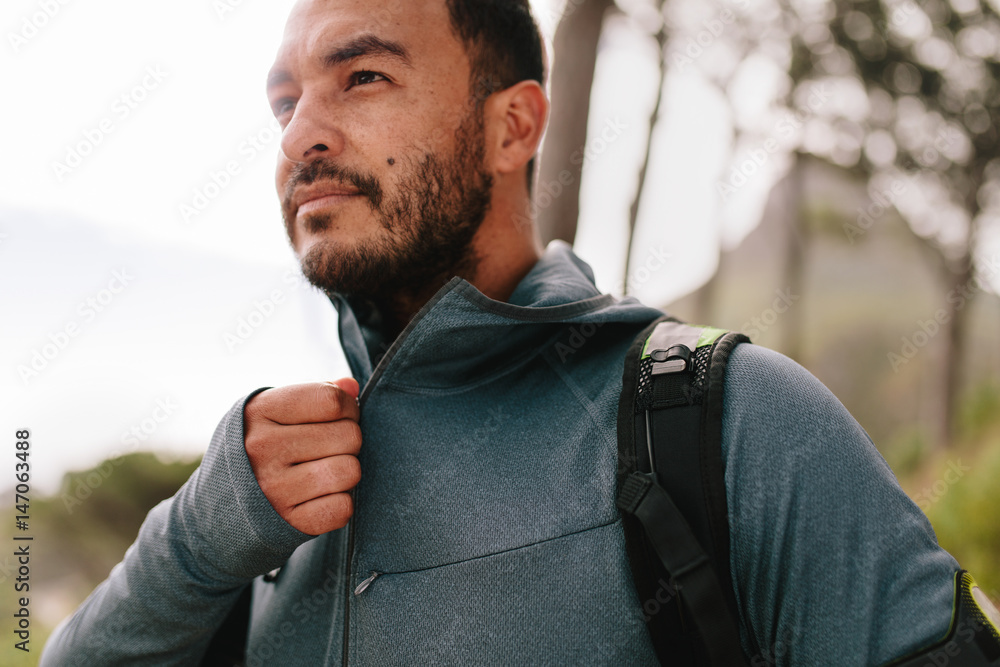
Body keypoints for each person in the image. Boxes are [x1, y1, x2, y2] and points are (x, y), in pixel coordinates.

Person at [40, 0, 997, 665]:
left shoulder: (734, 418)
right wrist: (204, 536)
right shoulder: (264, 491)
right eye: (286, 102)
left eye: (361, 76)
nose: (299, 137)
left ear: (513, 127)